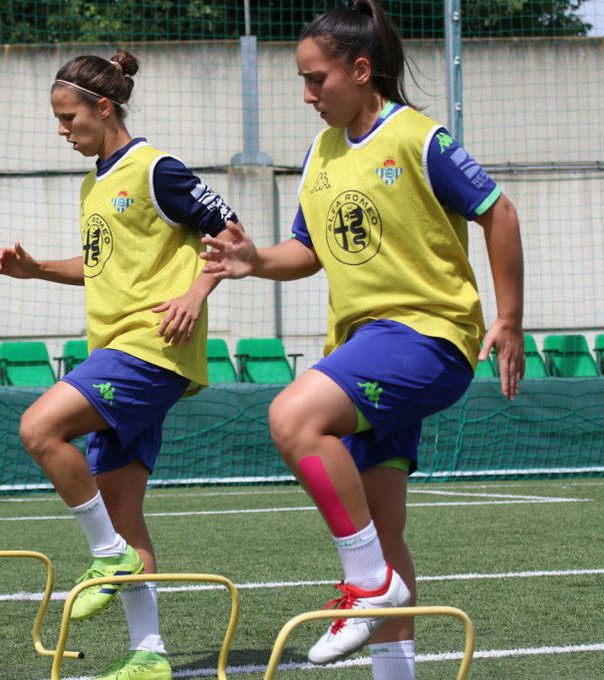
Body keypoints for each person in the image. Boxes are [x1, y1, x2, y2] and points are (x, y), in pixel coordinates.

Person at [201, 1, 524, 676]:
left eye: (317, 78)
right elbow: (306, 250)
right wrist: (253, 261)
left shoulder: (416, 137)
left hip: (425, 336)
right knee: (382, 528)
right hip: (362, 351)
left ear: (360, 68)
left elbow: (498, 211)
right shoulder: (319, 152)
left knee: (291, 416)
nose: (306, 93)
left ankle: (368, 584)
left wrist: (508, 318)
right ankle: (391, 658)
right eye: (301, 79)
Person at [0, 51, 240, 680]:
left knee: (40, 429)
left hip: (151, 349)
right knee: (123, 510)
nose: (62, 130)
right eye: (57, 119)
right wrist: (37, 268)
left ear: (104, 108)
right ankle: (150, 653)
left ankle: (106, 556)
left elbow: (231, 234)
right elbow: (100, 267)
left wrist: (193, 294)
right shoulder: (93, 182)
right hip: (117, 352)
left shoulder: (156, 169)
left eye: (68, 117)